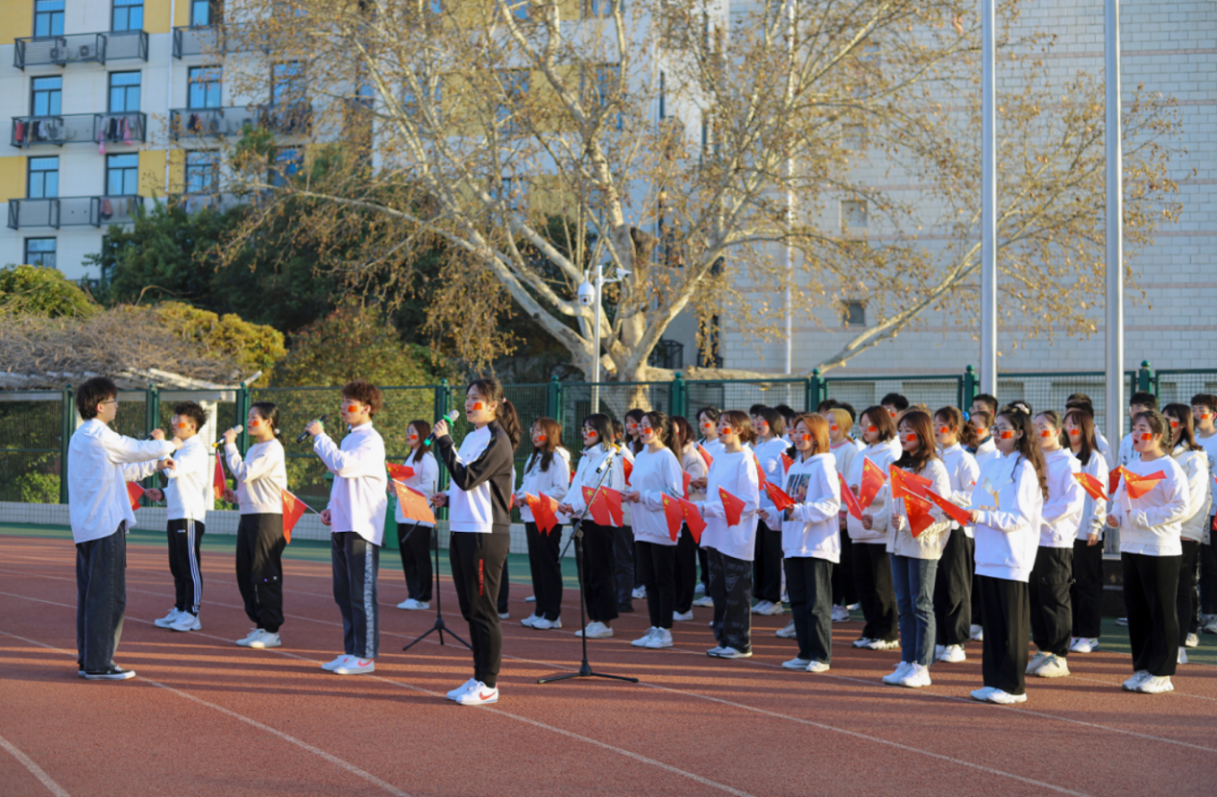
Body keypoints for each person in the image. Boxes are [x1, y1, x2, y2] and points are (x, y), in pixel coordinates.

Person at [68, 377, 179, 680]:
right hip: (105, 525)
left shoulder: (81, 436)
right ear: (100, 406)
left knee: (92, 595)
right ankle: (99, 663)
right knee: (109, 596)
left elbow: (121, 469)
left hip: (88, 526)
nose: (117, 406)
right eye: (114, 401)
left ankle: (89, 658)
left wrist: (156, 465)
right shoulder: (100, 434)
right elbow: (135, 449)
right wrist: (171, 443)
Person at [430, 378, 520, 706]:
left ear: (493, 405)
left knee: (484, 610)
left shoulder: (498, 440)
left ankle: (490, 683)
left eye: (475, 399)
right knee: (470, 608)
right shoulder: (471, 437)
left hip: (485, 533)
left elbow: (467, 478)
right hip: (462, 529)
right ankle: (478, 675)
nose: (468, 404)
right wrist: (448, 497)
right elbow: (466, 484)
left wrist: (444, 442)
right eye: (467, 398)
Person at [307, 380, 388, 676]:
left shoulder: (370, 440)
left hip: (361, 525)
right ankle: (352, 650)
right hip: (343, 523)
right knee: (343, 592)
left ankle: (365, 655)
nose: (343, 407)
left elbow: (341, 466)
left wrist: (320, 437)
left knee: (361, 592)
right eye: (342, 401)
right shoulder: (349, 439)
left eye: (349, 403)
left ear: (366, 408)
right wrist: (331, 506)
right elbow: (343, 479)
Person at [866, 410, 951, 688]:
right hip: (897, 545)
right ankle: (907, 660)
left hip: (923, 547)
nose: (902, 435)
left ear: (923, 434)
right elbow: (893, 507)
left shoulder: (935, 468)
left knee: (921, 605)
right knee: (904, 605)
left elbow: (942, 512)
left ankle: (922, 666)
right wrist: (875, 521)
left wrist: (908, 524)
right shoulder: (899, 467)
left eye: (908, 431)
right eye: (900, 430)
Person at [1107, 409, 1190, 694]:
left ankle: (1163, 673)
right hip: (1130, 546)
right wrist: (1116, 515)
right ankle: (1142, 668)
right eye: (1134, 428)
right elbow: (1120, 499)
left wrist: (1143, 517)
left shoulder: (1170, 468)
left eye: (1142, 429)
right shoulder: (1131, 466)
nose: (1136, 434)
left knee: (1161, 611)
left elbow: (1181, 507)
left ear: (1158, 435)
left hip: (1159, 548)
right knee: (1137, 611)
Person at [968, 409, 1047, 705]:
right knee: (993, 626)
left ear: (1020, 433)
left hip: (1012, 557)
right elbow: (978, 502)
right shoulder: (990, 463)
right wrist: (962, 513)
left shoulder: (1025, 468)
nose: (997, 433)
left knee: (1013, 627)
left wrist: (981, 517)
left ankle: (1014, 687)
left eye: (1004, 428)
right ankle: (992, 682)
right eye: (995, 428)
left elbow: (1020, 517)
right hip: (986, 555)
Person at [765, 413, 841, 672]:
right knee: (797, 601)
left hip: (817, 545)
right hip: (793, 544)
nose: (796, 436)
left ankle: (821, 656)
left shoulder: (824, 465)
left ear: (817, 436)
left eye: (802, 431)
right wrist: (771, 514)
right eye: (794, 431)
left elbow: (831, 504)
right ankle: (805, 652)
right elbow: (788, 506)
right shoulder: (794, 467)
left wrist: (799, 511)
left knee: (817, 603)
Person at [695, 410, 762, 658]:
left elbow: (748, 502)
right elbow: (718, 493)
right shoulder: (720, 457)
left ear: (739, 430)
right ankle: (724, 639)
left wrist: (710, 508)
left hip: (735, 536)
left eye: (724, 424)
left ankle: (740, 643)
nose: (719, 428)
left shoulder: (745, 459)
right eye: (719, 424)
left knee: (736, 593)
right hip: (714, 534)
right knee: (719, 590)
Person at [224, 402, 289, 650]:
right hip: (249, 514)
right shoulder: (254, 448)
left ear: (268, 422)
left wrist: (230, 445)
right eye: (249, 416)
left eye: (254, 418)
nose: (249, 421)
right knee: (245, 572)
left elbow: (244, 472)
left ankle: (272, 629)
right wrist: (235, 496)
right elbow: (250, 483)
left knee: (264, 572)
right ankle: (260, 624)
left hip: (267, 516)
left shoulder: (272, 448)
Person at [1025, 411, 1085, 679]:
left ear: (1058, 431)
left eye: (1044, 426)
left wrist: (1038, 517)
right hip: (1031, 538)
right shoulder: (1032, 460)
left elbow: (1071, 502)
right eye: (1035, 426)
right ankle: (1044, 648)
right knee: (1035, 595)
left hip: (1056, 539)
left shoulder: (1070, 463)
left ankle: (1060, 655)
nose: (1038, 431)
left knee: (1055, 595)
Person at [558, 413, 626, 640]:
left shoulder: (610, 459)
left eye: (591, 429)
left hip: (600, 521)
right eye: (584, 428)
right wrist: (567, 504)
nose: (585, 433)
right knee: (586, 572)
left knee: (600, 571)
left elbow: (604, 493)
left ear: (603, 432)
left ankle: (605, 621)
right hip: (583, 520)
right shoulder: (586, 458)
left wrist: (575, 506)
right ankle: (594, 618)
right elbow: (577, 487)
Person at [148, 401, 211, 634]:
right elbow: (179, 480)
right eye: (173, 419)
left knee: (189, 566)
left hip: (189, 516)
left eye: (179, 420)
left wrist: (162, 446)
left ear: (192, 426)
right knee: (177, 565)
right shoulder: (183, 449)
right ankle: (180, 607)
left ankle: (192, 613)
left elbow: (172, 469)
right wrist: (163, 494)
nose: (174, 423)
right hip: (175, 514)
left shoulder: (196, 449)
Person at [624, 411, 686, 649]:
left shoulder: (667, 457)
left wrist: (644, 496)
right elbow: (635, 485)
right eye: (639, 426)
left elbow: (675, 495)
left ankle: (665, 631)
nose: (640, 430)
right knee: (649, 580)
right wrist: (627, 494)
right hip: (641, 526)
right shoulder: (640, 456)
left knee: (663, 580)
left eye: (645, 426)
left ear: (659, 431)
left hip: (662, 527)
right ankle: (655, 627)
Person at [844, 406, 900, 651]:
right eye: (862, 424)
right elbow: (851, 483)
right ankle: (871, 628)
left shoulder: (891, 453)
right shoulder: (861, 454)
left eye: (870, 424)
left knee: (882, 585)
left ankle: (888, 633)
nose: (865, 429)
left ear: (883, 425)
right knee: (863, 583)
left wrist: (867, 491)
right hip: (859, 528)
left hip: (879, 528)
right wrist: (850, 491)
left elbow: (893, 489)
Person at [1162, 403, 1211, 662]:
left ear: (1183, 424)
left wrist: (1164, 521)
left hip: (1183, 531)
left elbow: (1193, 501)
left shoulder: (1194, 458)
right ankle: (1164, 642)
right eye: (1163, 418)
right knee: (1162, 589)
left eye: (1170, 419)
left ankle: (1180, 643)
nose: (1165, 423)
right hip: (1158, 531)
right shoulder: (1157, 454)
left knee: (1181, 586)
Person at [932, 406, 980, 664]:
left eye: (942, 425)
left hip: (957, 530)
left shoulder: (964, 459)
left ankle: (956, 641)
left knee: (956, 586)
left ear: (956, 429)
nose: (936, 429)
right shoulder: (932, 457)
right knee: (938, 586)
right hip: (933, 530)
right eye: (934, 424)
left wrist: (946, 498)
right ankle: (941, 638)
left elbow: (975, 495)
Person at [516, 417, 571, 630]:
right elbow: (526, 484)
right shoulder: (534, 457)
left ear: (551, 433)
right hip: (531, 515)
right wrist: (518, 495)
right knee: (537, 566)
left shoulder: (558, 457)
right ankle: (540, 610)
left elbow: (561, 489)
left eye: (539, 430)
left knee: (548, 566)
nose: (534, 434)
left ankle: (552, 614)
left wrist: (529, 497)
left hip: (548, 517)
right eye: (533, 430)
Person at [1063, 408, 1108, 654]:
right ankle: (1076, 632)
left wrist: (1095, 526)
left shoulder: (1094, 459)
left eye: (1075, 425)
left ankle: (1090, 636)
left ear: (1085, 429)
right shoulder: (1062, 456)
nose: (1069, 429)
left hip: (1085, 533)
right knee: (1069, 584)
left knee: (1087, 584)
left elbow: (1098, 495)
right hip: (1064, 532)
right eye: (1067, 424)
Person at [394, 420, 440, 611]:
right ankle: (413, 595)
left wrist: (404, 489)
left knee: (420, 558)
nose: (408, 434)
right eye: (407, 430)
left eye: (412, 431)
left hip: (419, 516)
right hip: (404, 514)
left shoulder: (428, 459)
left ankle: (423, 597)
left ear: (422, 434)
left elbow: (430, 486)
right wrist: (393, 488)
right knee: (408, 558)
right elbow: (404, 485)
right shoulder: (410, 457)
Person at [751, 406, 789, 616]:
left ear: (774, 423)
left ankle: (776, 599)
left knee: (774, 554)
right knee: (760, 554)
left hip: (775, 509)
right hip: (757, 510)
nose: (758, 423)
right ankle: (763, 596)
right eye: (756, 420)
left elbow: (787, 478)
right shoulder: (756, 447)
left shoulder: (783, 446)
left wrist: (777, 497)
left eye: (763, 420)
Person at [671, 415, 708, 621]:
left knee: (685, 562)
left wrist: (672, 487)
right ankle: (678, 603)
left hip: (689, 515)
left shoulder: (692, 456)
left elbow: (695, 484)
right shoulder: (670, 453)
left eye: (674, 430)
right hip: (674, 514)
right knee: (675, 562)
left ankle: (685, 607)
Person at [827, 408, 859, 625]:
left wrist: (844, 514)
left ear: (844, 425)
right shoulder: (825, 448)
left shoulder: (850, 450)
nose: (828, 426)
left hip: (841, 514)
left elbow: (849, 484)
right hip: (826, 514)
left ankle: (842, 605)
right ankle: (831, 601)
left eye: (832, 422)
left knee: (843, 562)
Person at [1190, 394, 1217, 635]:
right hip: (1193, 513)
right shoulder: (1192, 441)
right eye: (1194, 409)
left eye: (1202, 410)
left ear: (1214, 415)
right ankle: (1198, 613)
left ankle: (1212, 614)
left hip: (1214, 513)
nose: (1197, 414)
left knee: (1212, 564)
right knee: (1194, 565)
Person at [693, 406, 724, 605]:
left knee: (712, 547)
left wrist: (708, 481)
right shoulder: (698, 445)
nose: (703, 424)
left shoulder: (721, 447)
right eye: (700, 420)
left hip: (715, 503)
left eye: (707, 421)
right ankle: (705, 581)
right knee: (701, 544)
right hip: (700, 499)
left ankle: (713, 590)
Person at [618, 411, 644, 610]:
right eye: (627, 422)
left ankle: (631, 592)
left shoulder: (642, 451)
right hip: (623, 505)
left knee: (628, 554)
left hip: (635, 505)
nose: (630, 426)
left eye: (633, 422)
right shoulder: (625, 447)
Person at [1066, 394, 1113, 465]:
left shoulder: (1099, 443)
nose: (1069, 418)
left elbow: (1109, 469)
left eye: (1074, 418)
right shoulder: (1063, 443)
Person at [1116, 391, 1159, 466]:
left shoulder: (1157, 438)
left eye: (1138, 408)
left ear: (1152, 410)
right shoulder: (1126, 440)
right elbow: (1121, 466)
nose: (1134, 412)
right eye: (1132, 408)